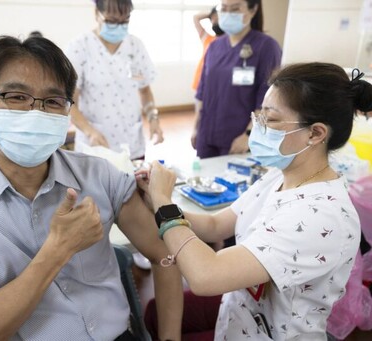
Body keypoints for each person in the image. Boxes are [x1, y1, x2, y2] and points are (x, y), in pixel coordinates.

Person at [0, 35, 183, 340]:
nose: (35, 113)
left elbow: (164, 255)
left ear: (67, 113)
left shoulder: (100, 176)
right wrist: (57, 251)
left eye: (53, 101)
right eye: (16, 96)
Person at [138, 62, 365, 340]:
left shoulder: (322, 217)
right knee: (153, 313)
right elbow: (214, 224)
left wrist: (164, 204)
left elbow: (205, 275)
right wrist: (156, 199)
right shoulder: (281, 175)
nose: (258, 128)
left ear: (316, 133)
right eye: (260, 116)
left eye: (270, 120)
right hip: (238, 314)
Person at [65, 0, 164, 161]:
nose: (118, 26)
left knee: (133, 185)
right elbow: (69, 102)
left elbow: (145, 90)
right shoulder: (80, 47)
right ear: (96, 13)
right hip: (96, 147)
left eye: (124, 20)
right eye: (111, 20)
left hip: (132, 145)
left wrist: (153, 118)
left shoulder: (135, 46)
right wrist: (90, 131)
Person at [192, 0, 281, 158]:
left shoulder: (266, 47)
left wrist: (249, 134)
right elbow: (202, 91)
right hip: (208, 133)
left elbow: (267, 99)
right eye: (224, 9)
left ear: (253, 10)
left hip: (239, 137)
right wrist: (196, 127)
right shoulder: (214, 47)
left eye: (235, 9)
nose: (228, 14)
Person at [191, 6, 224, 91]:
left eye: (218, 17)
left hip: (217, 83)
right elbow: (196, 17)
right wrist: (211, 14)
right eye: (213, 19)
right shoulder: (207, 38)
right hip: (201, 81)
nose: (215, 20)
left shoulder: (230, 41)